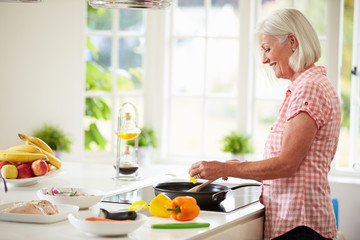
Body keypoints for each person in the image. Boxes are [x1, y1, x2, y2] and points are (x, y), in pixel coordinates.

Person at [188, 8, 341, 240]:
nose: (264, 59)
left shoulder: (309, 88)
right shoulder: (310, 85)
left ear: (292, 41)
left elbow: (286, 165)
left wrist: (225, 168)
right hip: (299, 222)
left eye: (267, 49)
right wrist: (236, 166)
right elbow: (295, 169)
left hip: (300, 225)